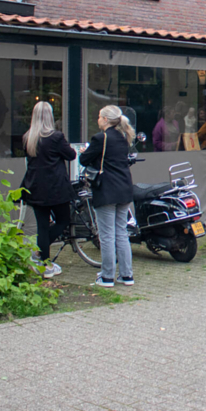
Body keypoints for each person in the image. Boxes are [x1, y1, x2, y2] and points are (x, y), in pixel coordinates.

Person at [80, 106, 135, 287]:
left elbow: (84, 160)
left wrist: (83, 152)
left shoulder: (100, 138)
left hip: (106, 190)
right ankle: (127, 275)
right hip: (124, 189)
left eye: (98, 116)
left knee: (106, 235)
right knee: (122, 233)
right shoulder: (123, 137)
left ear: (105, 119)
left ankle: (107, 276)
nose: (98, 120)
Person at [20, 102, 76, 279]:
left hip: (35, 187)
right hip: (55, 187)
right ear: (50, 117)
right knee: (63, 220)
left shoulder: (28, 137)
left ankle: (44, 263)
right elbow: (71, 155)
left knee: (42, 226)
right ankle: (40, 255)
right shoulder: (56, 137)